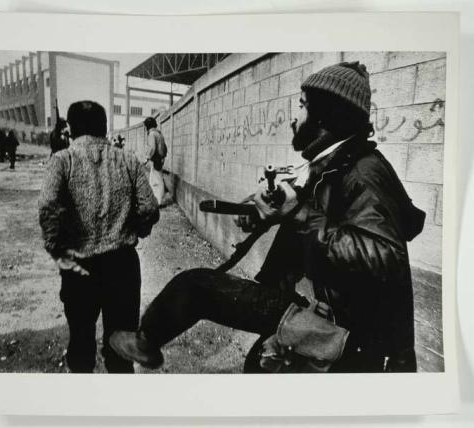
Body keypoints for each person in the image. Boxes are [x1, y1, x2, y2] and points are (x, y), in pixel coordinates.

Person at [109, 62, 424, 373]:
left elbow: (385, 256)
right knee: (254, 363)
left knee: (195, 287)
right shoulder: (332, 163)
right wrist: (264, 215)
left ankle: (146, 341)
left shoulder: (365, 171)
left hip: (343, 333)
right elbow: (315, 221)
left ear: (326, 117)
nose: (293, 120)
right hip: (314, 307)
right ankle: (146, 341)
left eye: (301, 108)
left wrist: (301, 214)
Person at [38, 100, 159, 373]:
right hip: (123, 266)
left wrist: (57, 248)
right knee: (120, 348)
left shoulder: (62, 160)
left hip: (80, 267)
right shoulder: (127, 159)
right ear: (104, 128)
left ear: (71, 128)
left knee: (81, 342)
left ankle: (83, 408)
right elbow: (149, 207)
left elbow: (48, 206)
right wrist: (137, 230)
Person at [144, 117, 168, 206]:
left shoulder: (152, 134)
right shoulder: (159, 134)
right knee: (157, 179)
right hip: (160, 158)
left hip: (156, 158)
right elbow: (165, 148)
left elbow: (152, 148)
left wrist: (147, 158)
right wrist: (163, 157)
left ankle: (158, 202)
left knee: (156, 181)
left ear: (147, 126)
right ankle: (158, 200)